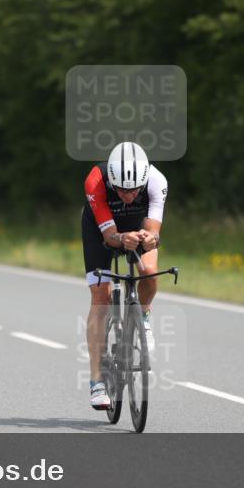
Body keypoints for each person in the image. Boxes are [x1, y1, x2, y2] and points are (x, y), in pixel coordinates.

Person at [81, 141, 167, 410]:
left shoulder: (155, 180)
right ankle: (96, 382)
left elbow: (153, 230)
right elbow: (109, 236)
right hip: (100, 230)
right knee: (101, 298)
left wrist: (148, 238)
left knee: (149, 271)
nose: (128, 196)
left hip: (137, 226)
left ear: (143, 182)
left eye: (134, 191)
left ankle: (143, 315)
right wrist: (120, 237)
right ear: (112, 182)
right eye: (121, 190)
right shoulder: (96, 180)